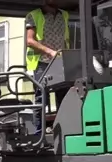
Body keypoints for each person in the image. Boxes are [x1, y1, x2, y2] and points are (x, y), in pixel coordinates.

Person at [25, 0, 70, 134]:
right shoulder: (33, 15)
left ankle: (64, 131)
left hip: (60, 61)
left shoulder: (64, 15)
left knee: (63, 96)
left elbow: (66, 38)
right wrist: (49, 51)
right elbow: (30, 41)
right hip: (41, 63)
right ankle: (38, 133)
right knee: (41, 98)